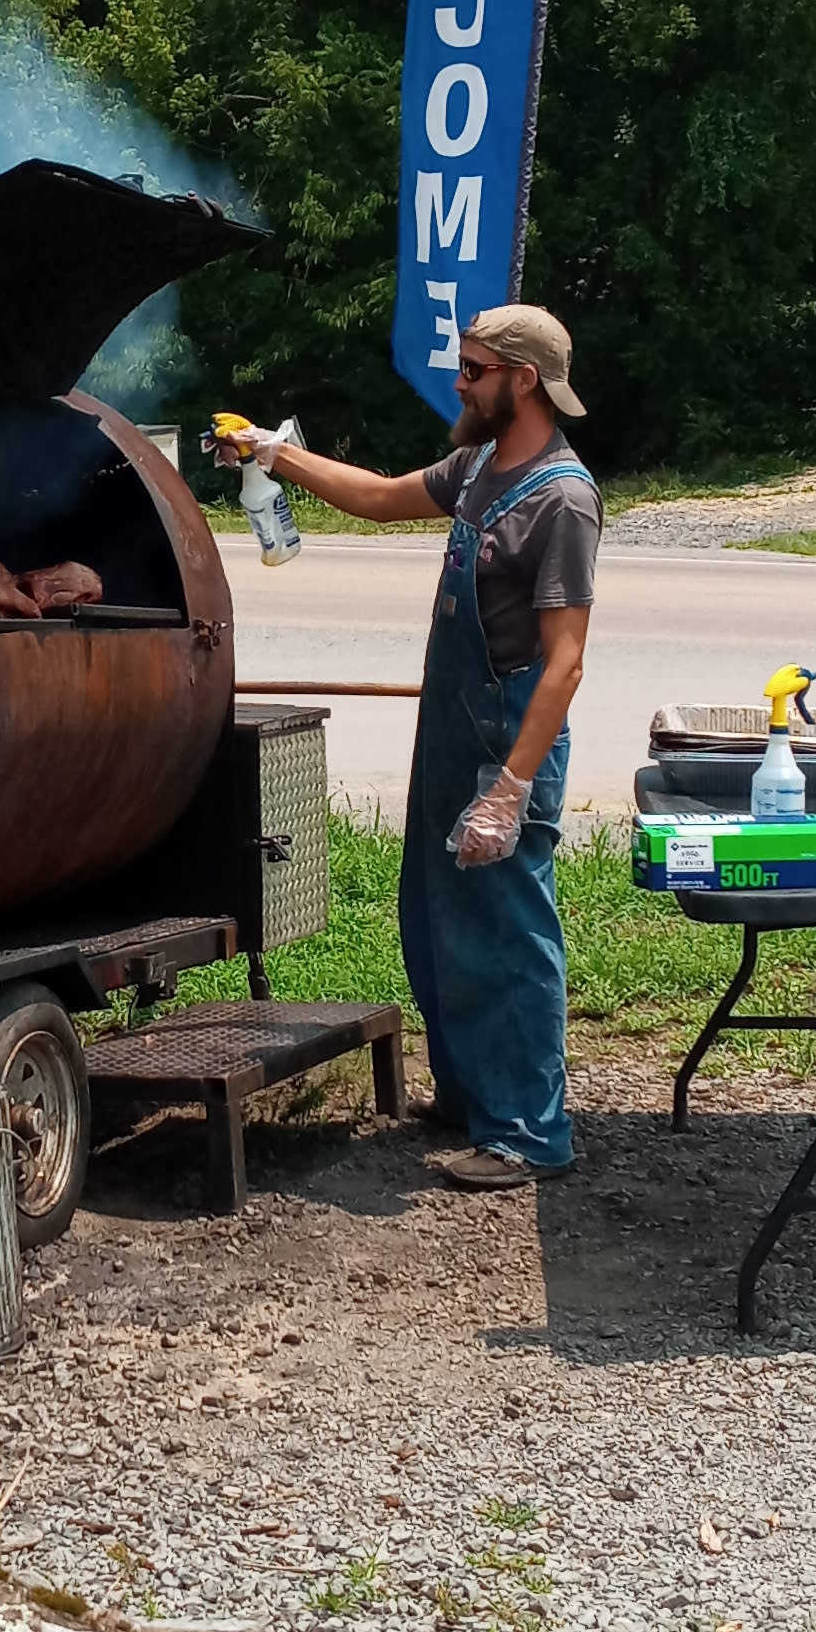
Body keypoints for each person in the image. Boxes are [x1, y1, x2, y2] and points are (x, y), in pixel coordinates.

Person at [224, 305, 598, 1186]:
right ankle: (473, 1099)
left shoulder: (561, 499)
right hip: (449, 733)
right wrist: (275, 456)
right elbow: (384, 496)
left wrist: (510, 789)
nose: (458, 384)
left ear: (523, 381)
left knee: (508, 936)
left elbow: (566, 662)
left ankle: (531, 1134)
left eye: (472, 371)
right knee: (439, 928)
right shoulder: (477, 467)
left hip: (506, 744)